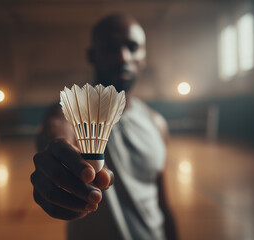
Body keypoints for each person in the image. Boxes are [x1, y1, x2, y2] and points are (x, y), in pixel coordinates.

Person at [30, 13, 178, 240]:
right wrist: (55, 154)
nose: (123, 57)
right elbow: (57, 128)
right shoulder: (72, 111)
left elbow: (162, 203)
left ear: (144, 55)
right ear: (92, 56)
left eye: (132, 46)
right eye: (111, 48)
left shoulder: (157, 123)